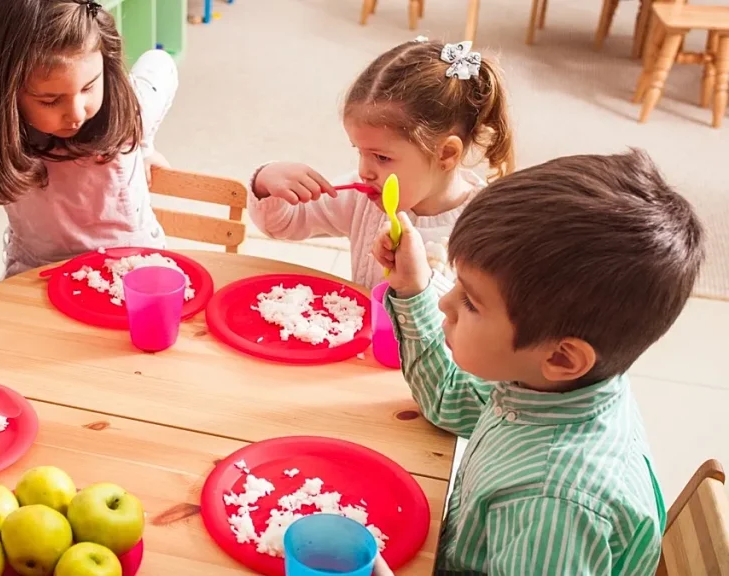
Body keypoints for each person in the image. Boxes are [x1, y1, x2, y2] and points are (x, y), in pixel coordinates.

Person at [372, 150, 702, 574]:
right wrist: (413, 288)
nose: (445, 303)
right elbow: (449, 399)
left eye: (471, 302)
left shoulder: (552, 504)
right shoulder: (551, 383)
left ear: (563, 357)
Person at [0, 0, 178, 304]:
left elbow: (161, 64)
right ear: (3, 94)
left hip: (135, 279)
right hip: (36, 284)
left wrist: (143, 144)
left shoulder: (131, 103)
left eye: (89, 87)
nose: (76, 114)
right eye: (50, 100)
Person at [250, 38, 513, 290]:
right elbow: (284, 224)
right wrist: (267, 183)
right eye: (359, 152)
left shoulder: (486, 227)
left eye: (382, 157)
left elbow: (482, 316)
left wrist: (418, 285)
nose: (364, 171)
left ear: (445, 153)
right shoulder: (363, 200)